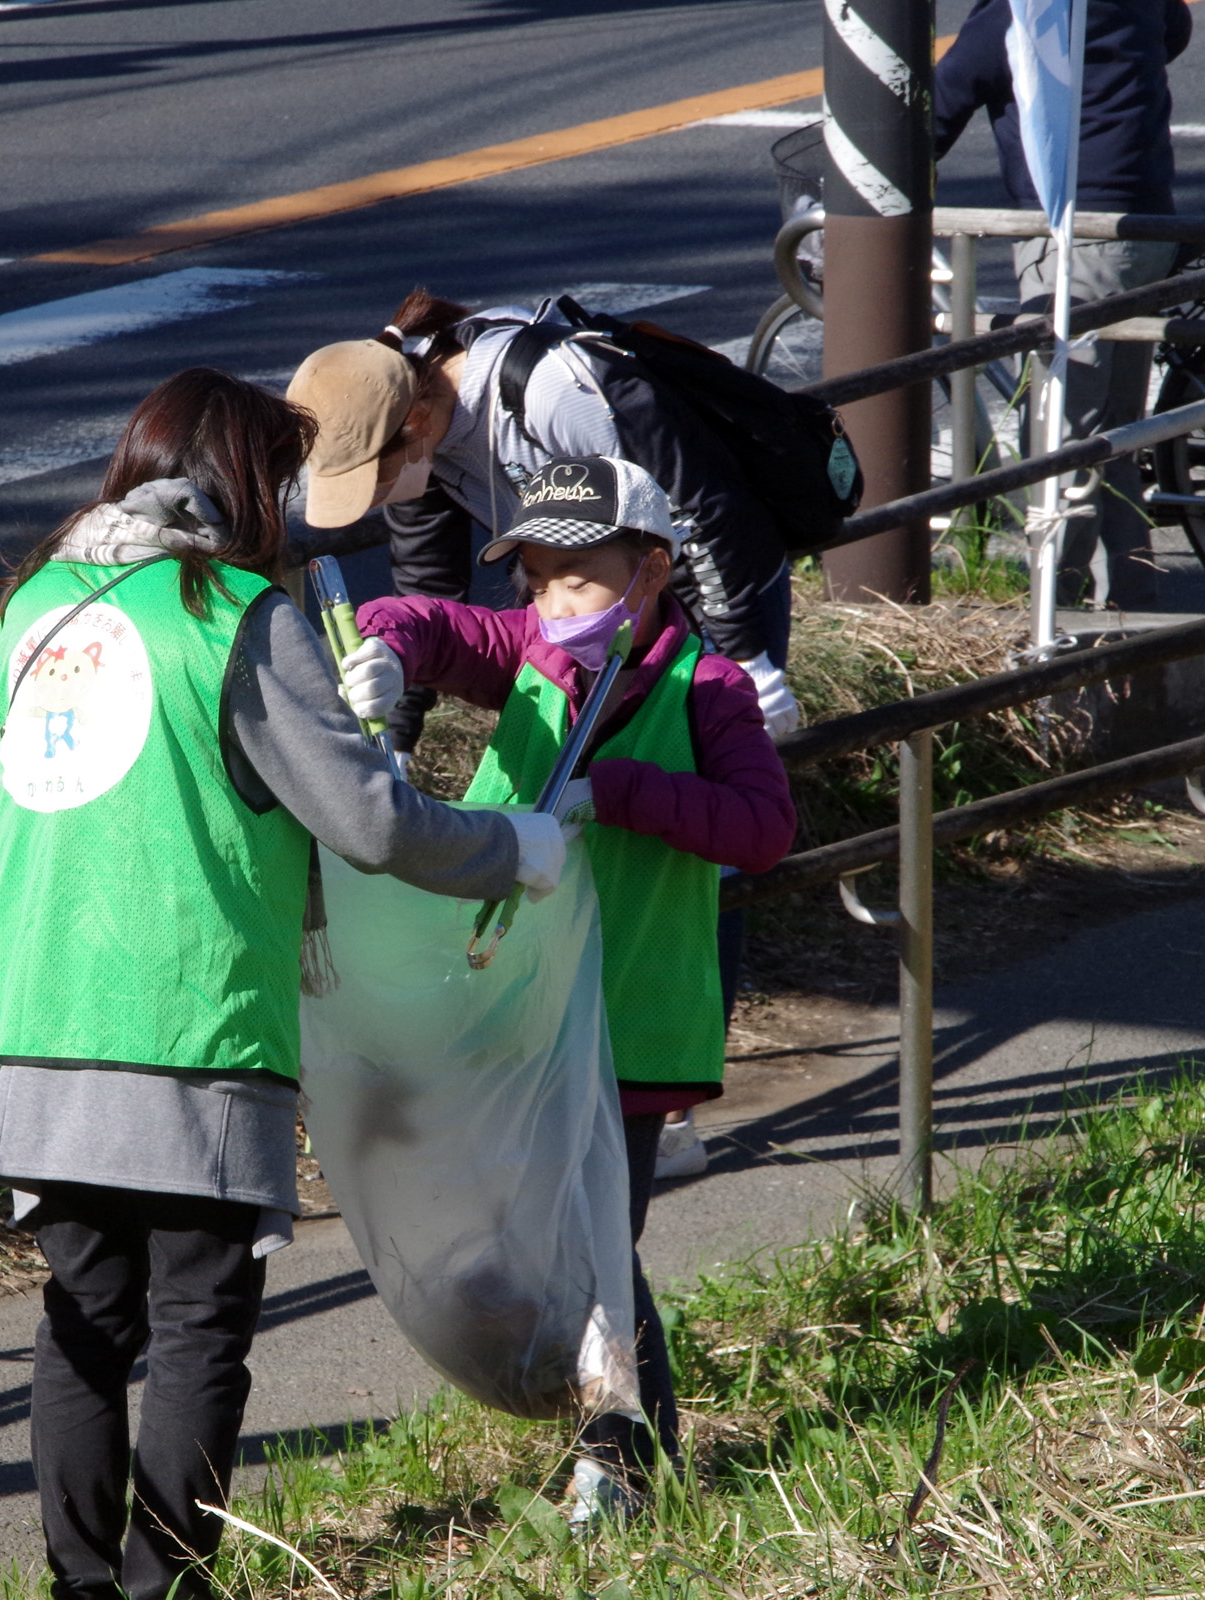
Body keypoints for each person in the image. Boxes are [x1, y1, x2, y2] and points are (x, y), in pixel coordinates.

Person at [0, 368, 565, 1600]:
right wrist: (517, 846)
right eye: (280, 482)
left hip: (45, 1014)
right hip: (198, 1015)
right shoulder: (234, 609)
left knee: (82, 1323)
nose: (292, 510)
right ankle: (166, 1585)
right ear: (242, 481)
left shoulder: (29, 610)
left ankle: (81, 1585)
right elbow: (370, 824)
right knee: (199, 1324)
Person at [340, 455, 797, 1526]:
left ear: (651, 571)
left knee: (600, 1244)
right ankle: (613, 1441)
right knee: (529, 1237)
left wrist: (621, 791)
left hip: (627, 1021)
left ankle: (630, 1462)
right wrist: (387, 653)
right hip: (508, 1008)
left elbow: (764, 828)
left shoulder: (710, 689)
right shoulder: (536, 650)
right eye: (536, 575)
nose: (552, 599)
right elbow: (428, 620)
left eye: (578, 575)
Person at [286, 292, 801, 756]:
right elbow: (428, 585)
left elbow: (702, 510)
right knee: (614, 772)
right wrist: (396, 735)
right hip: (589, 605)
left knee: (709, 760)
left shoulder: (551, 389)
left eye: (372, 482)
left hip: (708, 582)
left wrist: (746, 659)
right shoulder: (414, 432)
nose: (374, 501)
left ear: (415, 424)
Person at [935, 0, 1194, 609]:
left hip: (1076, 237)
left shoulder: (1017, 13)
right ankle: (1133, 593)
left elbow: (942, 101)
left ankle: (1057, 606)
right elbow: (1172, 33)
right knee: (1118, 429)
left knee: (1061, 438)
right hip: (1148, 222)